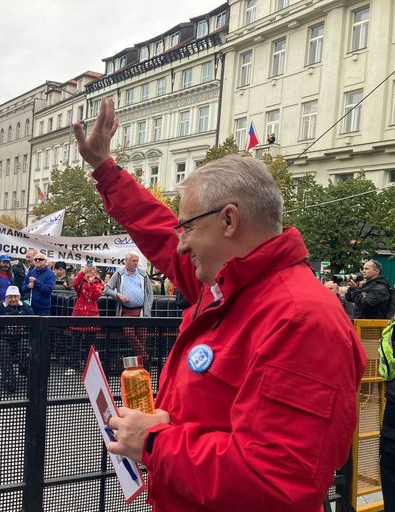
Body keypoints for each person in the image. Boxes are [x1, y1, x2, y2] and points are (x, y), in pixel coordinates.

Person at [72, 97, 366, 511]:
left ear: (229, 221)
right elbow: (158, 234)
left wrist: (155, 441)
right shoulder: (231, 291)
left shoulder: (301, 318)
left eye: (188, 226)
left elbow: (276, 482)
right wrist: (105, 170)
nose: (182, 242)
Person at [103, 250, 154, 359]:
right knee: (129, 333)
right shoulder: (118, 274)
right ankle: (145, 357)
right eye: (133, 260)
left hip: (141, 311)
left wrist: (148, 308)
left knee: (141, 338)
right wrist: (118, 295)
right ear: (126, 261)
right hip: (125, 311)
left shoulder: (143, 274)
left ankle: (141, 367)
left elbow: (150, 292)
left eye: (137, 260)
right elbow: (107, 289)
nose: (136, 263)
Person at [0, 285, 34, 392]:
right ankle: (10, 382)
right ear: (6, 297)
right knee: (4, 353)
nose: (13, 299)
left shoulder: (25, 307)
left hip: (21, 337)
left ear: (19, 297)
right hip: (3, 337)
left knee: (26, 348)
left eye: (15, 297)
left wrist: (22, 326)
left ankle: (24, 370)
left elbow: (33, 322)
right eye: (10, 297)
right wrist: (5, 325)